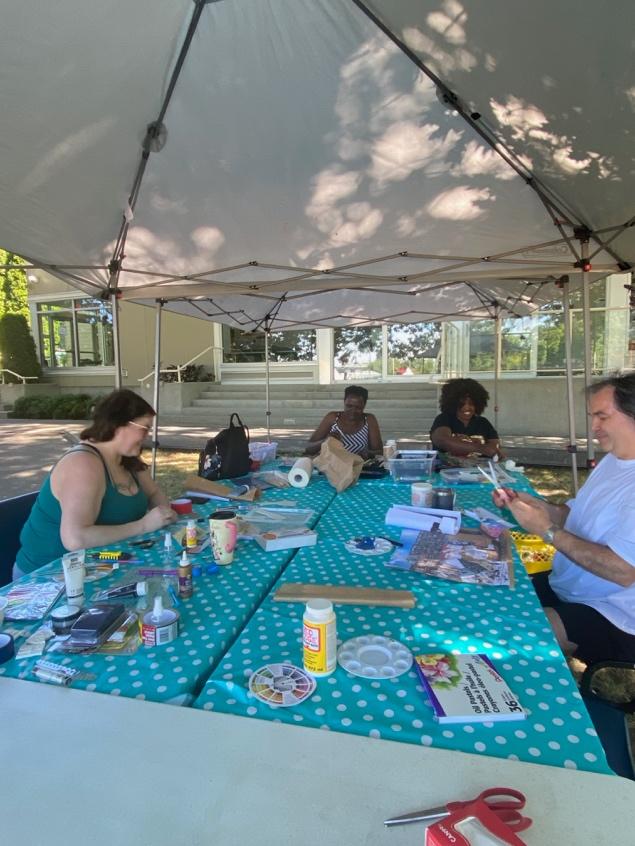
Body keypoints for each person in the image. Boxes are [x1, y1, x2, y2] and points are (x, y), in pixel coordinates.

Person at [493, 372, 635, 665]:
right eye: (592, 416)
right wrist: (538, 507)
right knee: (494, 600)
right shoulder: (614, 459)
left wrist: (546, 530)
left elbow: (623, 571)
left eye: (602, 417)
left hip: (614, 615)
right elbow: (575, 513)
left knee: (510, 636)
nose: (593, 427)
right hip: (567, 587)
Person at [14, 389, 177, 579]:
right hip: (49, 578)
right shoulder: (83, 464)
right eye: (144, 428)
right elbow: (75, 539)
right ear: (119, 425)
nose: (147, 435)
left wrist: (164, 513)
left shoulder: (127, 459)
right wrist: (143, 526)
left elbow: (153, 493)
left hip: (103, 566)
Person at [430, 378, 502, 458]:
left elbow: (495, 446)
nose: (466, 408)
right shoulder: (444, 419)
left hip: (479, 469)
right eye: (461, 404)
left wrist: (494, 451)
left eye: (471, 403)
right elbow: (442, 440)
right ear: (452, 404)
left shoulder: (483, 422)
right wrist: (481, 448)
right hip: (446, 469)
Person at [305, 384, 383, 458]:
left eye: (358, 407)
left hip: (359, 468)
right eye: (349, 406)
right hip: (331, 467)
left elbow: (379, 451)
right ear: (344, 402)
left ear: (364, 405)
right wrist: (326, 440)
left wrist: (366, 454)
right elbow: (309, 449)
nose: (353, 411)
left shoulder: (369, 419)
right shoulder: (333, 418)